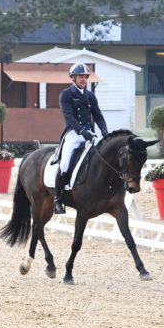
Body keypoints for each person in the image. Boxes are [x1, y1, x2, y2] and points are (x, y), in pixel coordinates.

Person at [53, 62, 108, 214]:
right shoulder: (66, 94)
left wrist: (104, 130)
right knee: (64, 165)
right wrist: (82, 131)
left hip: (90, 134)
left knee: (105, 157)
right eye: (80, 77)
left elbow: (98, 115)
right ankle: (57, 199)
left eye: (85, 76)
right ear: (73, 78)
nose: (83, 79)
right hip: (73, 134)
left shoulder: (90, 96)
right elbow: (69, 117)